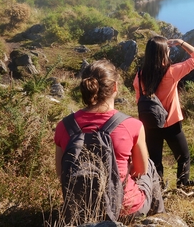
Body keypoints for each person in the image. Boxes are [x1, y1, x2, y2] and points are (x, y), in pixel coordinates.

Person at [54, 60, 164, 219]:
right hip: (124, 210)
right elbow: (141, 170)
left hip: (80, 210)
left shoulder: (63, 126)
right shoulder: (132, 125)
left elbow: (61, 173)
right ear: (115, 87)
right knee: (150, 165)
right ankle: (160, 219)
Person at [133, 36, 194, 188]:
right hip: (171, 123)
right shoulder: (172, 72)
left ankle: (157, 191)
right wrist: (181, 43)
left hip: (150, 125)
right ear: (163, 53)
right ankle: (182, 187)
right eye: (168, 49)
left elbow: (139, 101)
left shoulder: (139, 77)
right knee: (183, 157)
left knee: (155, 160)